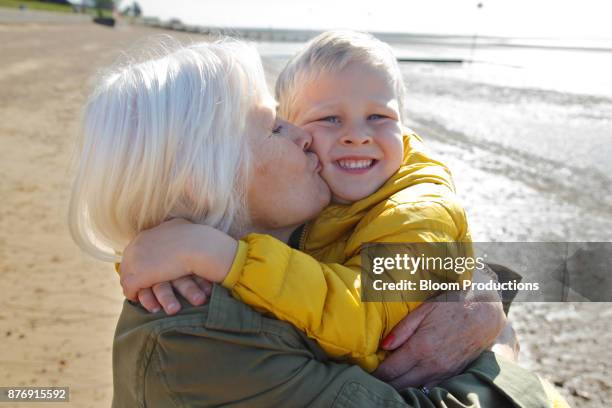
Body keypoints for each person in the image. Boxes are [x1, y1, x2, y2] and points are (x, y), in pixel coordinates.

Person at [69, 38, 566, 406]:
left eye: (379, 117)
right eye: (274, 124)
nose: (304, 137)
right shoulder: (195, 345)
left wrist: (482, 288)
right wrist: (501, 350)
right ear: (204, 176)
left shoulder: (266, 254)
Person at [120, 30, 474, 373]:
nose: (357, 136)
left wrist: (224, 257)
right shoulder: (313, 195)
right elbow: (189, 233)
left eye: (379, 117)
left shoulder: (419, 209)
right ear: (294, 129)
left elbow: (366, 321)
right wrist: (151, 253)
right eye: (330, 119)